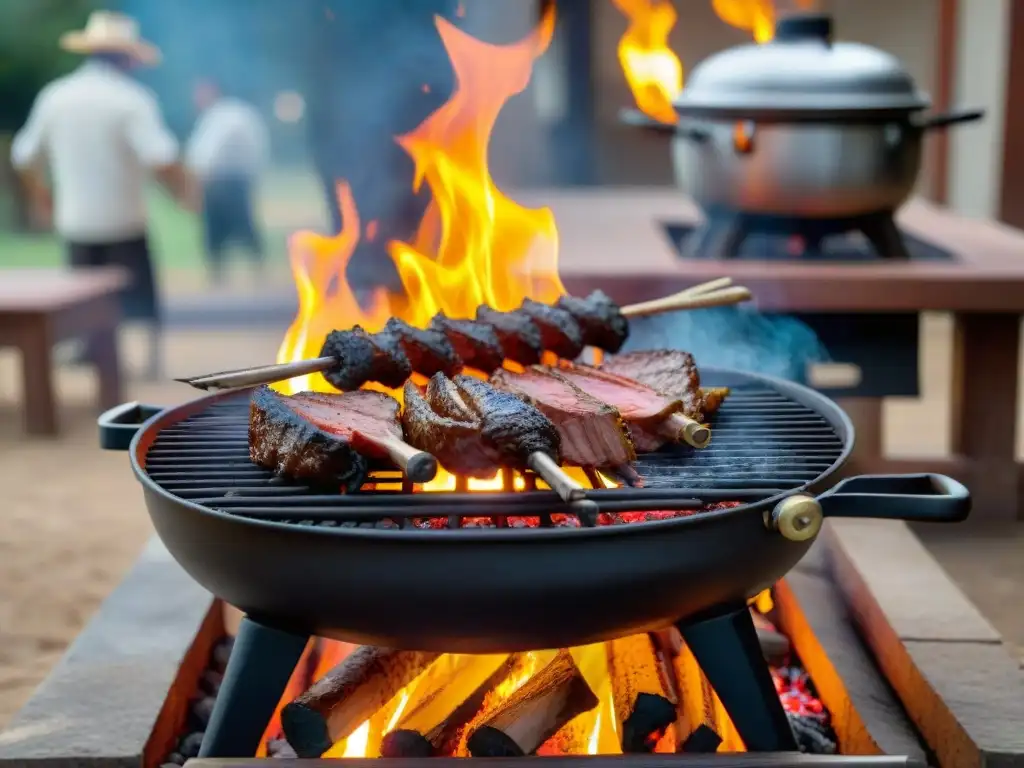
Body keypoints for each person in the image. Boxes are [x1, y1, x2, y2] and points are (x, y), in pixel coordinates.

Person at [10, 11, 193, 379]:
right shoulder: (132, 99)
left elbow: (23, 156)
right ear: (126, 57)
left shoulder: (55, 95)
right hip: (124, 220)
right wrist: (181, 190)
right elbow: (161, 158)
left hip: (76, 220)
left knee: (84, 299)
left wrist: (41, 197)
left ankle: (91, 353)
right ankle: (148, 362)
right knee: (140, 300)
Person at [185, 80, 270, 284]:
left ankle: (254, 272)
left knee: (239, 228)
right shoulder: (221, 115)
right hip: (227, 181)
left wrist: (194, 174)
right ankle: (222, 275)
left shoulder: (228, 116)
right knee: (222, 231)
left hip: (226, 181)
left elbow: (208, 153)